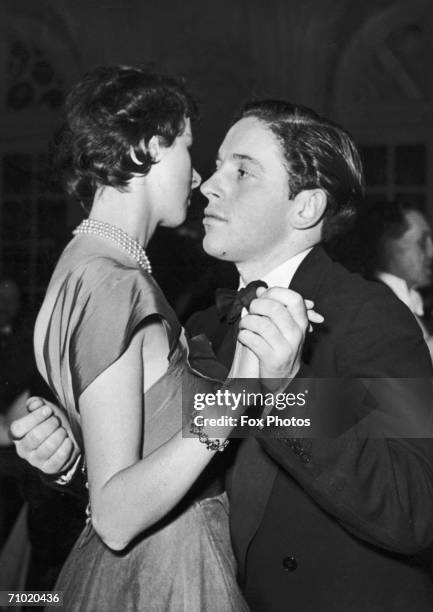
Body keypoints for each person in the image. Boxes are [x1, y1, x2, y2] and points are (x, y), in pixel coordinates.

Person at [12, 101, 433, 611]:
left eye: (242, 171)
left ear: (306, 207)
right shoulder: (203, 325)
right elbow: (173, 496)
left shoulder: (372, 315)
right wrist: (73, 465)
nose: (209, 184)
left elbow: (416, 505)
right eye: (215, 166)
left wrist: (289, 389)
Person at [9, 66, 318, 611]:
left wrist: (69, 460)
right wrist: (240, 391)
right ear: (151, 147)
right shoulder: (111, 282)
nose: (199, 177)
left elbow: (118, 458)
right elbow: (115, 517)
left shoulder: (84, 269)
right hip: (169, 573)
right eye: (189, 149)